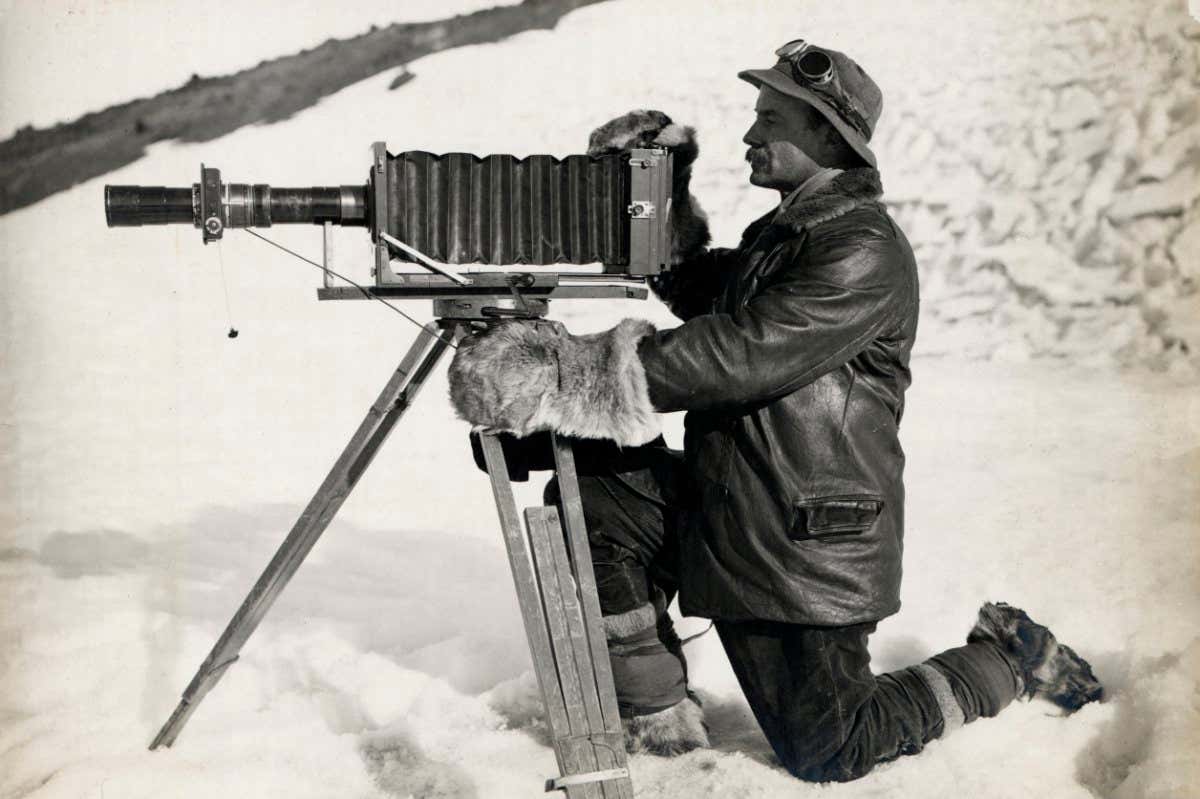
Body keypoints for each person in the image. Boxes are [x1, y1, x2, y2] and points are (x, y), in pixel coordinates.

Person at [447, 40, 1103, 782]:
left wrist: (560, 377)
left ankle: (1006, 659)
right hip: (737, 503)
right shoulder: (790, 236)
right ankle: (657, 714)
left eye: (770, 118)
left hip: (800, 538)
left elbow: (739, 349)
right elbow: (703, 288)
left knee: (833, 747)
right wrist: (659, 189)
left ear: (828, 135)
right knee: (595, 497)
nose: (750, 135)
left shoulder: (862, 249)